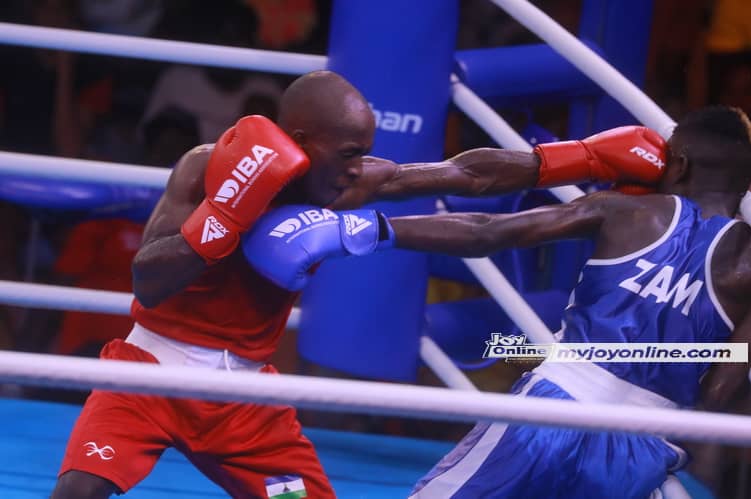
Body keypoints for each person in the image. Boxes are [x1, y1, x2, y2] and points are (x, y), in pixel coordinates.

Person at [51, 68, 667, 497]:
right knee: (78, 490)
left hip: (242, 403)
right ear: (299, 144)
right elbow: (149, 283)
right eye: (347, 152)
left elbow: (464, 175)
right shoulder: (205, 169)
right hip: (147, 374)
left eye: (363, 153)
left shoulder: (354, 183)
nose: (356, 169)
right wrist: (227, 215)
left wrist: (582, 157)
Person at [244, 106, 751, 498]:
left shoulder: (628, 213)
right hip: (643, 446)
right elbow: (722, 388)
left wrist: (367, 229)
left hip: (552, 408)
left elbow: (487, 232)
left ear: (674, 165)